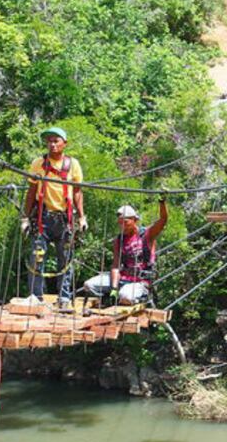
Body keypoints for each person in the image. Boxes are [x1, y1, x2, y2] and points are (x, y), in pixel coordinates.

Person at [20, 127, 87, 308]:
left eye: (56, 141)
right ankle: (36, 296)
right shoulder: (38, 164)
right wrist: (25, 217)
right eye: (49, 141)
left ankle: (64, 298)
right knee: (37, 256)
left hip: (64, 218)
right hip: (42, 218)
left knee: (65, 259)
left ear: (65, 143)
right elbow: (31, 191)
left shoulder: (73, 165)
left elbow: (78, 192)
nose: (52, 144)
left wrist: (82, 217)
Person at [83, 198, 168, 306]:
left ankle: (135, 297)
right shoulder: (119, 240)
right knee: (88, 285)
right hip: (122, 279)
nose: (122, 226)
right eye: (120, 223)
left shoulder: (147, 234)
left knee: (125, 296)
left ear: (134, 220)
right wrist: (114, 288)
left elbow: (163, 220)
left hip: (140, 282)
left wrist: (162, 202)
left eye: (125, 222)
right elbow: (115, 266)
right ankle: (112, 296)